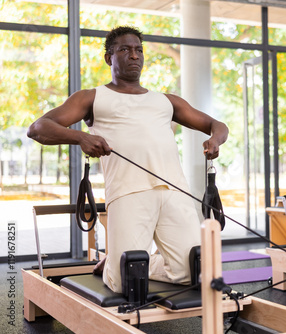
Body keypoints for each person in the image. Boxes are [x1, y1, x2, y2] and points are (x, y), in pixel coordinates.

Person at [27, 26, 229, 293]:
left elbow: (217, 124)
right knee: (124, 282)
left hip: (174, 191)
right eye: (125, 49)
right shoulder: (93, 97)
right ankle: (117, 266)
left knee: (192, 272)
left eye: (138, 50)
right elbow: (38, 128)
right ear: (109, 58)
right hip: (128, 191)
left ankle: (119, 261)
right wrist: (81, 138)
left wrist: (215, 140)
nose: (134, 55)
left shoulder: (165, 101)